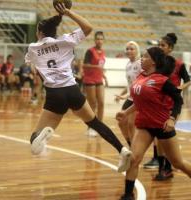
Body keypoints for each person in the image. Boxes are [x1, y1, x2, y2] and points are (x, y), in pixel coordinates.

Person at [25, 3, 131, 173]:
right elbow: (88, 27)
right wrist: (67, 13)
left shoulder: (33, 48)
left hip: (54, 93)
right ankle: (122, 150)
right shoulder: (66, 40)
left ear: (40, 32)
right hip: (73, 90)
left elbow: (33, 68)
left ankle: (43, 135)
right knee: (95, 122)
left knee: (34, 140)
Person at [116, 47, 191, 200]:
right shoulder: (140, 76)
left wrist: (172, 119)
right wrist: (125, 113)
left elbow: (178, 100)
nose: (142, 59)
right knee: (134, 159)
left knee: (177, 162)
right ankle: (128, 195)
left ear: (153, 61)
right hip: (145, 125)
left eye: (145, 57)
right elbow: (140, 101)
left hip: (162, 126)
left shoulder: (162, 81)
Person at [150, 33, 191, 181]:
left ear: (170, 48)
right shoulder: (156, 63)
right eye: (159, 45)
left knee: (165, 138)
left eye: (163, 45)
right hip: (159, 104)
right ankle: (164, 168)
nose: (160, 47)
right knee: (159, 139)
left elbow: (188, 81)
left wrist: (180, 87)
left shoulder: (178, 64)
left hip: (172, 104)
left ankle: (167, 168)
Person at [114, 41, 142, 146]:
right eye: (127, 49)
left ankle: (134, 149)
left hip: (138, 99)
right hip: (130, 98)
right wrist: (123, 95)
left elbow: (143, 81)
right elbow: (130, 84)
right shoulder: (128, 64)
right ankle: (131, 144)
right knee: (121, 121)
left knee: (131, 124)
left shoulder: (140, 63)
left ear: (137, 50)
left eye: (132, 49)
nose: (129, 51)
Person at [82, 31, 107, 137]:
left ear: (103, 40)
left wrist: (105, 76)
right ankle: (91, 126)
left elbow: (101, 67)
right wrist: (96, 67)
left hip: (99, 79)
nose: (99, 41)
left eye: (101, 39)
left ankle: (100, 126)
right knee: (93, 104)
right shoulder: (90, 51)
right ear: (94, 40)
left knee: (101, 103)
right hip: (90, 80)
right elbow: (84, 65)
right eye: (97, 39)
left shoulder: (103, 51)